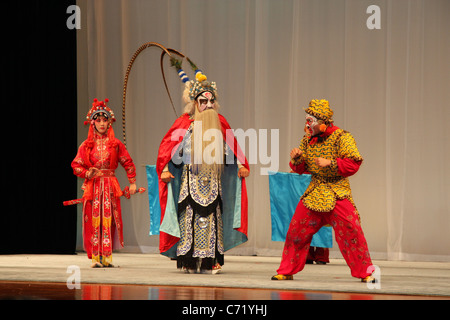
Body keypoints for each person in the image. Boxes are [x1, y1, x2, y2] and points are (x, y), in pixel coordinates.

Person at [155, 62, 250, 274]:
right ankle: (189, 260)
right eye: (202, 101)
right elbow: (167, 149)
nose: (207, 105)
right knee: (188, 217)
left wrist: (242, 164)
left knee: (213, 218)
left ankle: (211, 261)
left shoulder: (220, 123)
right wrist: (165, 166)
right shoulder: (184, 123)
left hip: (214, 180)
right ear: (194, 103)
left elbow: (234, 148)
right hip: (190, 180)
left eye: (210, 101)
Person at [271, 99, 375, 283]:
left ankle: (365, 272)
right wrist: (297, 159)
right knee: (296, 231)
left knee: (352, 232)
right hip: (315, 192)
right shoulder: (307, 140)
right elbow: (300, 169)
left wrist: (332, 163)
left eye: (310, 121)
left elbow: (354, 162)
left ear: (324, 122)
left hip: (337, 191)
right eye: (306, 120)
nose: (307, 124)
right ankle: (286, 270)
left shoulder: (342, 137)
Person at [71, 98, 137, 268]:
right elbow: (76, 165)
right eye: (98, 120)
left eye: (104, 120)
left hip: (109, 185)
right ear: (92, 123)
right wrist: (87, 173)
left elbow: (127, 162)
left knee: (109, 219)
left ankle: (106, 257)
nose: (101, 123)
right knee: (94, 220)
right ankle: (95, 258)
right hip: (93, 186)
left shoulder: (115, 144)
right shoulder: (86, 146)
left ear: (109, 122)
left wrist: (132, 182)